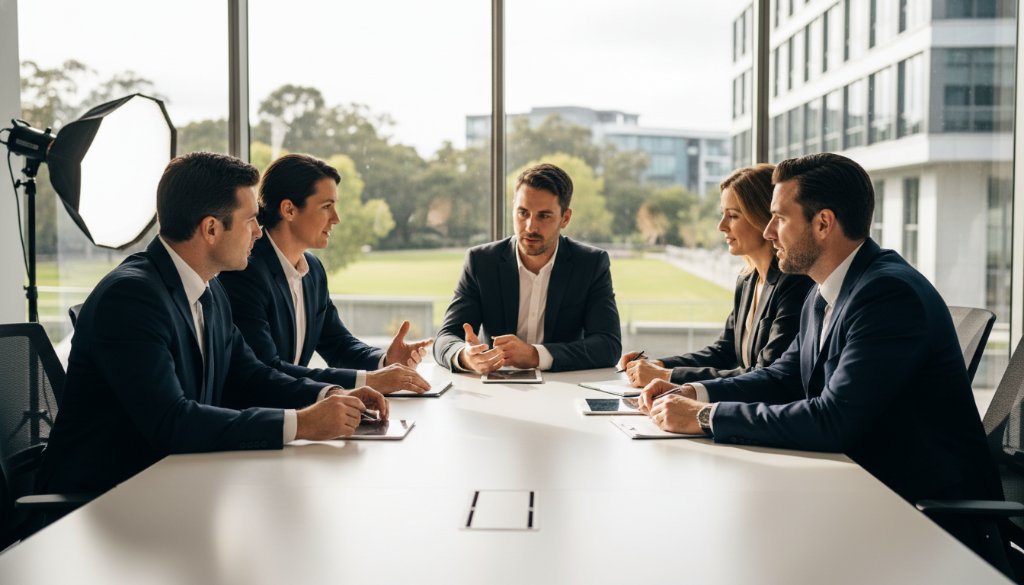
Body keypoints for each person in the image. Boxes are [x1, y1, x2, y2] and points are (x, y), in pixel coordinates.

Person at [637, 152, 1000, 551]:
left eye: (779, 217)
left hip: (920, 520)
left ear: (823, 223)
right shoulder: (822, 292)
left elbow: (833, 419)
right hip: (858, 489)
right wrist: (694, 393)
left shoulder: (887, 295)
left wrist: (706, 417)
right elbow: (782, 377)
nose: (769, 230)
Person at [37, 152, 389, 494]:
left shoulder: (211, 289)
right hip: (105, 500)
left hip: (175, 480)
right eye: (250, 220)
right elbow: (172, 421)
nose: (257, 232)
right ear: (210, 229)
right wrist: (302, 423)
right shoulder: (132, 298)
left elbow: (252, 375)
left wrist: (331, 395)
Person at [219, 154, 432, 394]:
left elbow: (337, 344)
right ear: (289, 209)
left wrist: (384, 362)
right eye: (326, 207)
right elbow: (267, 369)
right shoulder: (245, 270)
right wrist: (370, 381)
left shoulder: (313, 270)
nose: (336, 218)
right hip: (259, 420)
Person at [618, 164, 813, 388]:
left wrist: (667, 377)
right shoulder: (747, 280)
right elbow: (723, 351)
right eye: (723, 215)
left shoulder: (795, 283)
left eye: (733, 216)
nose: (721, 226)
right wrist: (659, 365)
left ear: (763, 216)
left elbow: (763, 373)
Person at [433, 162, 621, 373]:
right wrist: (464, 356)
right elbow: (446, 338)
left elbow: (608, 346)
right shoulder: (481, 262)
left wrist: (535, 355)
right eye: (523, 213)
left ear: (565, 218)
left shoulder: (591, 264)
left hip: (563, 390)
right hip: (497, 391)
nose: (530, 227)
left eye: (544, 216)